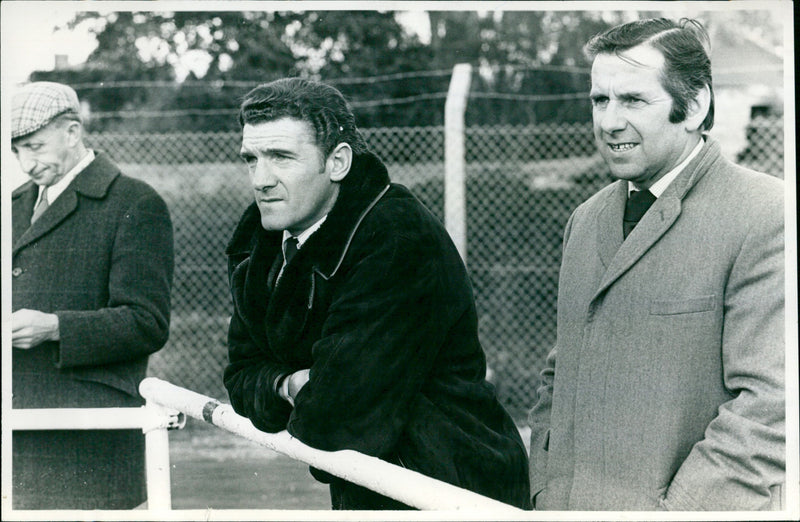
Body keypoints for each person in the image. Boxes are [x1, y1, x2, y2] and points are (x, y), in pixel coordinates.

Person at [223, 78, 530, 510]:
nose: (261, 180)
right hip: (367, 485)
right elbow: (239, 376)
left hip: (452, 484)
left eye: (281, 157)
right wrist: (297, 384)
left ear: (339, 162)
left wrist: (288, 389)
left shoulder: (398, 238)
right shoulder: (264, 236)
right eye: (251, 159)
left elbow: (337, 418)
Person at [527, 18, 785, 511]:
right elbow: (559, 376)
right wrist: (545, 489)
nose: (608, 122)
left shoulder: (766, 214)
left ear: (695, 107)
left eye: (633, 100)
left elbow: (770, 411)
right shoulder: (585, 219)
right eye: (600, 100)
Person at [10, 81, 174, 509]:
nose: (27, 163)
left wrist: (54, 328)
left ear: (73, 131)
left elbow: (147, 322)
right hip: (17, 422)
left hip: (88, 433)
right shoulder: (13, 205)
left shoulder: (135, 202)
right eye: (17, 150)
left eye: (36, 146)